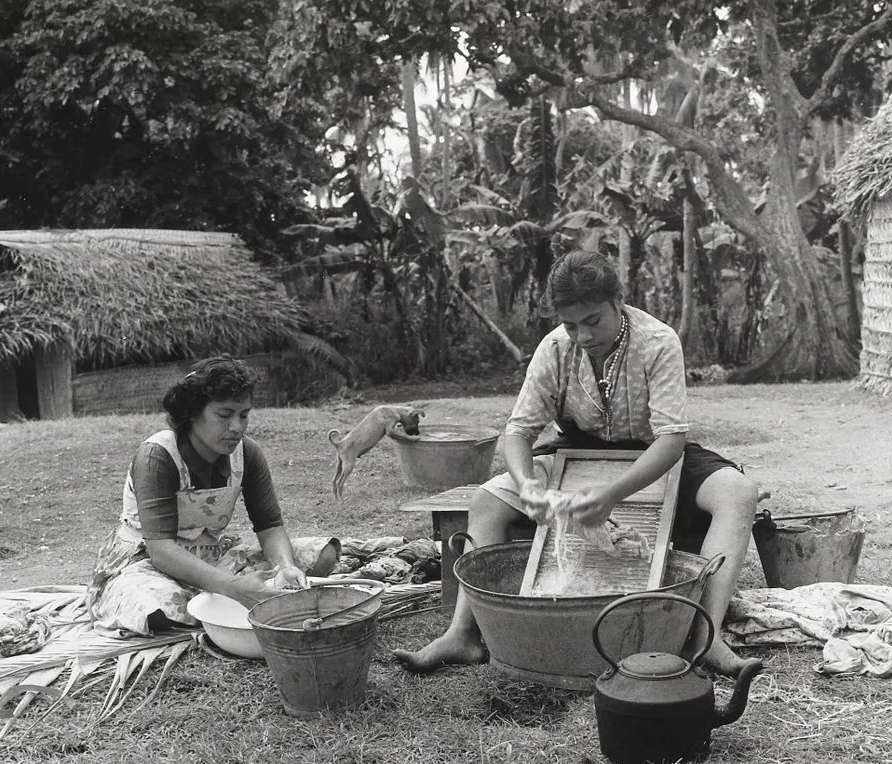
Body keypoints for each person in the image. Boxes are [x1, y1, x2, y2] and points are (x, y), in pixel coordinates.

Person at [393, 250, 761, 678]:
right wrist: (526, 483)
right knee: (486, 501)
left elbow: (670, 441)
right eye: (571, 325)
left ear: (617, 303)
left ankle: (706, 634)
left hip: (651, 451)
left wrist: (609, 495)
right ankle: (463, 634)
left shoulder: (658, 342)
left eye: (593, 321)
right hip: (575, 449)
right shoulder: (554, 348)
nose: (583, 335)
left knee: (738, 492)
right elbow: (518, 432)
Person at [87, 355, 337, 635]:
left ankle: (221, 599)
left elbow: (269, 527)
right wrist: (231, 586)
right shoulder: (157, 456)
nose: (237, 427)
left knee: (321, 555)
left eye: (244, 415)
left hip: (212, 556)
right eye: (224, 414)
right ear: (193, 412)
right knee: (157, 609)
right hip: (146, 562)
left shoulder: (248, 454)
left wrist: (284, 566)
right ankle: (221, 599)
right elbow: (161, 550)